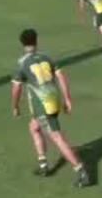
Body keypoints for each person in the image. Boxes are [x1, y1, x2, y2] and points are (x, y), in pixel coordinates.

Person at [11, 28, 91, 187]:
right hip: (54, 100)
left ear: (22, 43)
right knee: (34, 127)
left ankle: (81, 171)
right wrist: (67, 99)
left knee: (57, 138)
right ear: (36, 41)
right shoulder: (46, 58)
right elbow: (61, 76)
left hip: (43, 106)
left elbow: (16, 88)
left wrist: (15, 106)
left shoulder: (21, 63)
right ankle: (43, 165)